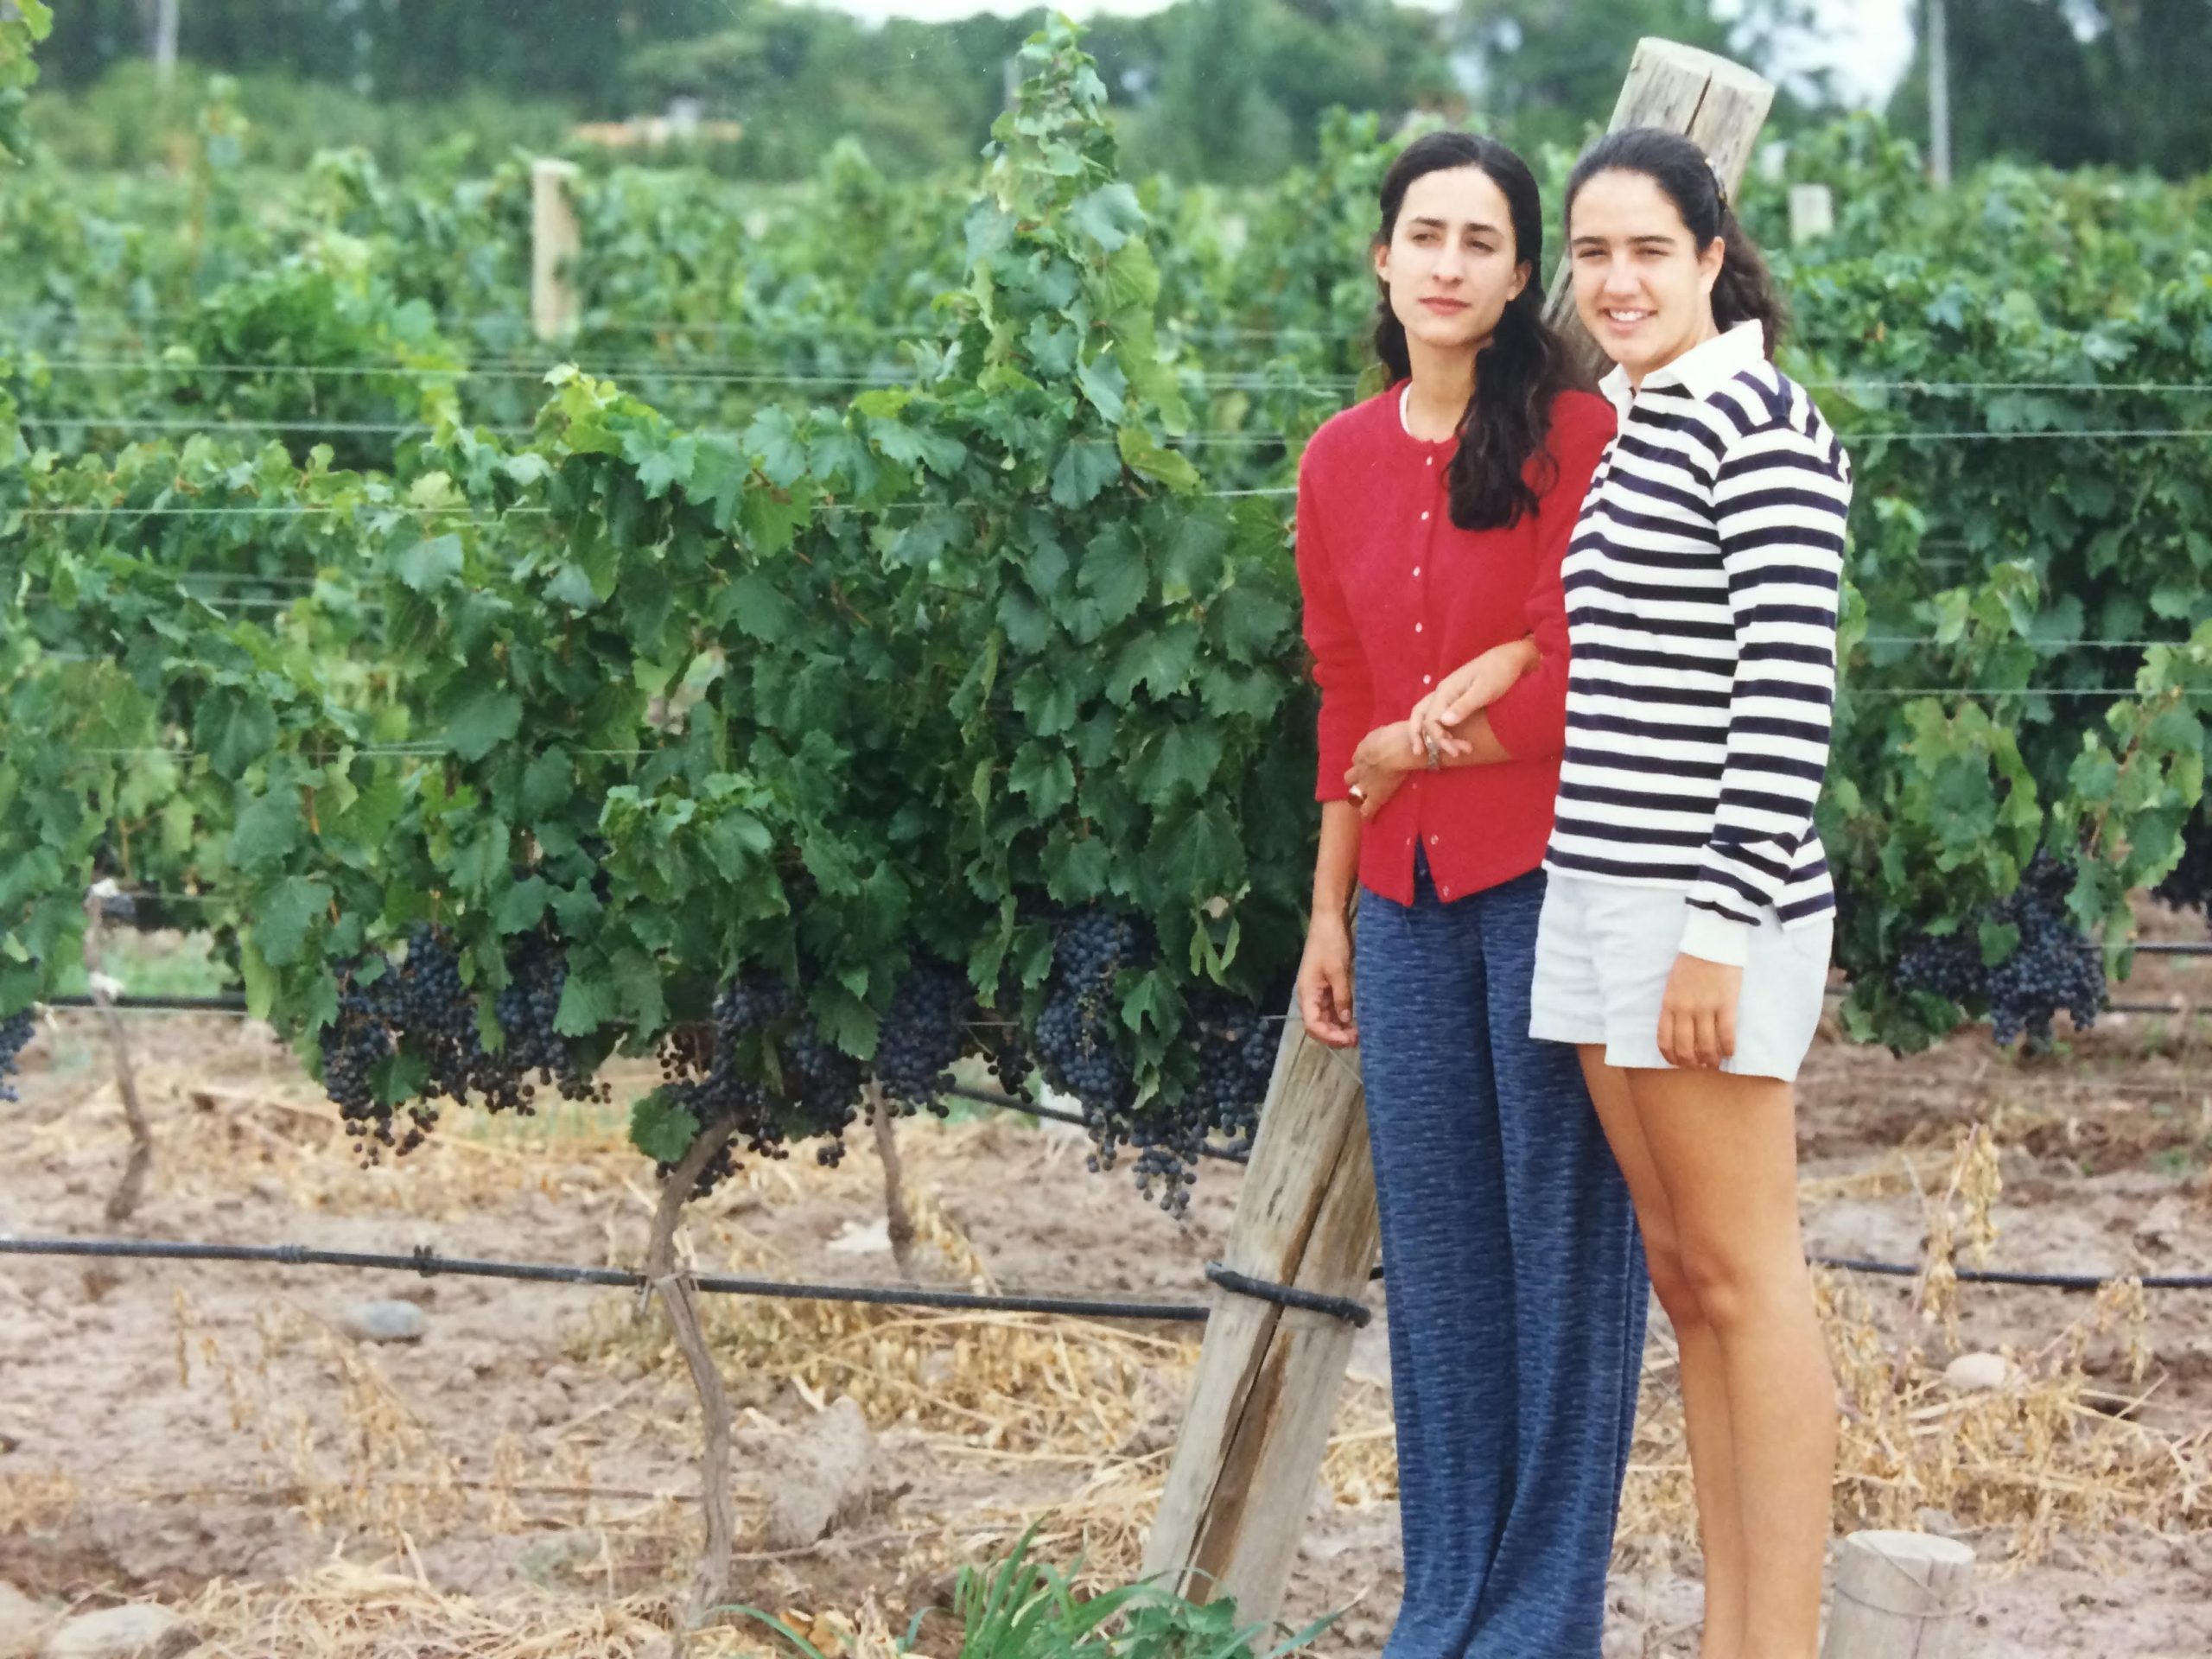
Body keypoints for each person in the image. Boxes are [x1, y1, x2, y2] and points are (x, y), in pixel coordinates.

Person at [1479, 126, 1853, 1659]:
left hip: (1705, 913)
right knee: (1686, 1280)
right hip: (1601, 896)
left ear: (1712, 258)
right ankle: (1728, 1636)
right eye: (1592, 253)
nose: (1616, 279)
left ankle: (1783, 1645)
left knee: (1750, 1288)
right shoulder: (1640, 422)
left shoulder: (1757, 420)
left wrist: (1718, 936)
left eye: (1648, 250)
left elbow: (1784, 701)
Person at [1294, 130, 1649, 1658]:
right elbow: (1342, 700)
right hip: (1400, 896)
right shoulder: (1336, 458)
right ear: (1383, 258)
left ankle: (1541, 1620)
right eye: (1423, 233)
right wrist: (1329, 912)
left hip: (1551, 876)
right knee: (1435, 1269)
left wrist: (1451, 722)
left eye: (1482, 242)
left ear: (1518, 281)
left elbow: (1604, 674)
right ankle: (1445, 1609)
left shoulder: (1579, 432)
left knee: (1564, 1251)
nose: (1447, 262)